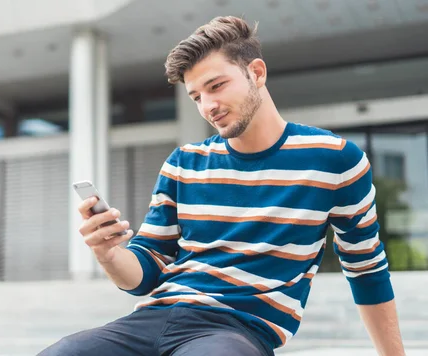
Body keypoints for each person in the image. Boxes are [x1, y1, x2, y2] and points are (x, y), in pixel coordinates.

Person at [39, 16, 406, 356]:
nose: (208, 106)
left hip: (237, 331)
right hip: (153, 318)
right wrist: (109, 254)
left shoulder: (334, 159)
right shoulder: (184, 162)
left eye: (216, 86)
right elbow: (144, 274)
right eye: (196, 96)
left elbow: (366, 269)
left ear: (256, 73)